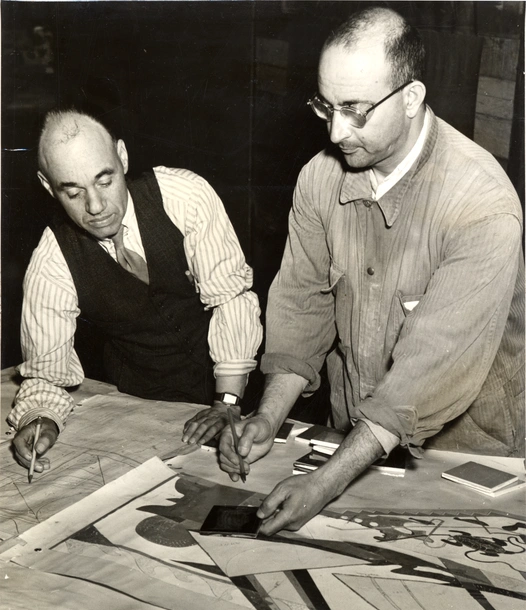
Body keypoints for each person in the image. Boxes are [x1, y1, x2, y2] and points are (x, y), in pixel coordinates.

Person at [219, 7, 524, 535]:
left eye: (356, 110)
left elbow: (423, 374)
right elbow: (301, 307)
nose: (337, 131)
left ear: (411, 98)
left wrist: (325, 482)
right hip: (355, 439)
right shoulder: (319, 180)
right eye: (326, 107)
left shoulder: (481, 204)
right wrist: (268, 416)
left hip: (464, 458)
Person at [9, 108, 263, 474]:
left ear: (123, 158)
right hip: (148, 412)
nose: (95, 207)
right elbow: (46, 372)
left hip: (242, 391)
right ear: (49, 187)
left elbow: (231, 300)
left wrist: (227, 400)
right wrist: (40, 416)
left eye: (104, 180)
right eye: (73, 191)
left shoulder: (184, 196)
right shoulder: (51, 262)